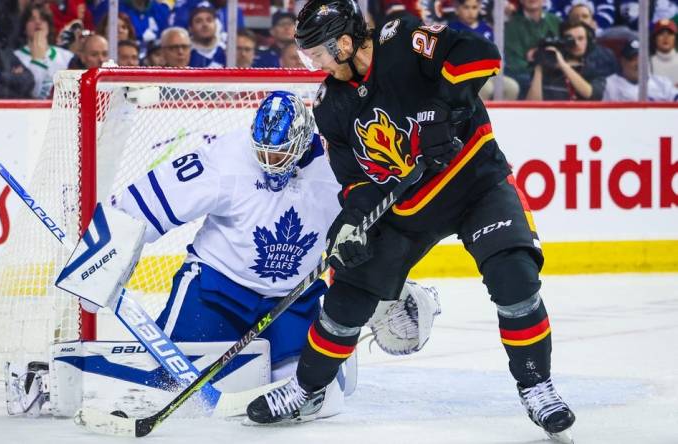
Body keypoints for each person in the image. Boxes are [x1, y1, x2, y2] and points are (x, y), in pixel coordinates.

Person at [246, 1, 576, 442]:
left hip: (476, 184)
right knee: (347, 297)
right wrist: (351, 222)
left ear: (344, 43)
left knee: (514, 276)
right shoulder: (330, 106)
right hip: (405, 211)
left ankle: (537, 386)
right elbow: (356, 182)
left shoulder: (400, 39)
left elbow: (481, 54)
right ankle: (306, 389)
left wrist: (446, 108)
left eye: (317, 53)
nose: (315, 64)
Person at [5, 91, 442, 416]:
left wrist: (393, 289)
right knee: (165, 386)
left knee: (321, 398)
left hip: (294, 300)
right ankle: (46, 375)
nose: (270, 160)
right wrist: (97, 266)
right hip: (215, 290)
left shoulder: (341, 169)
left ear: (305, 142)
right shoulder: (223, 158)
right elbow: (138, 205)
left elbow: (378, 234)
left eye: (280, 153)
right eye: (264, 150)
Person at [448, 0, 519, 99]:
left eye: (474, 7)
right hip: (464, 76)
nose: (471, 12)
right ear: (457, 9)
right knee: (486, 89)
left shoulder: (488, 30)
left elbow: (498, 55)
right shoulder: (451, 30)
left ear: (479, 8)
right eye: (466, 7)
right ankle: (477, 114)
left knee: (512, 87)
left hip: (490, 74)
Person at [526, 20, 608, 100]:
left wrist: (563, 65)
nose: (576, 43)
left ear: (588, 41)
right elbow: (531, 105)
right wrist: (539, 67)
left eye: (581, 38)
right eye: (570, 40)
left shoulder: (595, 67)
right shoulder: (549, 66)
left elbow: (590, 94)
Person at [14, 4, 73, 99]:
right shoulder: (15, 58)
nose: (38, 22)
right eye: (32, 19)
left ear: (49, 26)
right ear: (24, 27)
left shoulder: (67, 56)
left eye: (43, 19)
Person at [504, 0, 562, 97]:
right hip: (525, 74)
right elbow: (513, 61)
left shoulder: (556, 21)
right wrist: (535, 63)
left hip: (554, 70)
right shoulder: (511, 25)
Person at [603, 38, 678, 101]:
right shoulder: (609, 85)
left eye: (642, 58)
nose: (638, 63)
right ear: (622, 61)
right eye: (633, 59)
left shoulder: (662, 83)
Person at [651, 19, 678, 86]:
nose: (666, 37)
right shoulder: (647, 63)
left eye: (670, 33)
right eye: (661, 33)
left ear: (675, 38)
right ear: (654, 38)